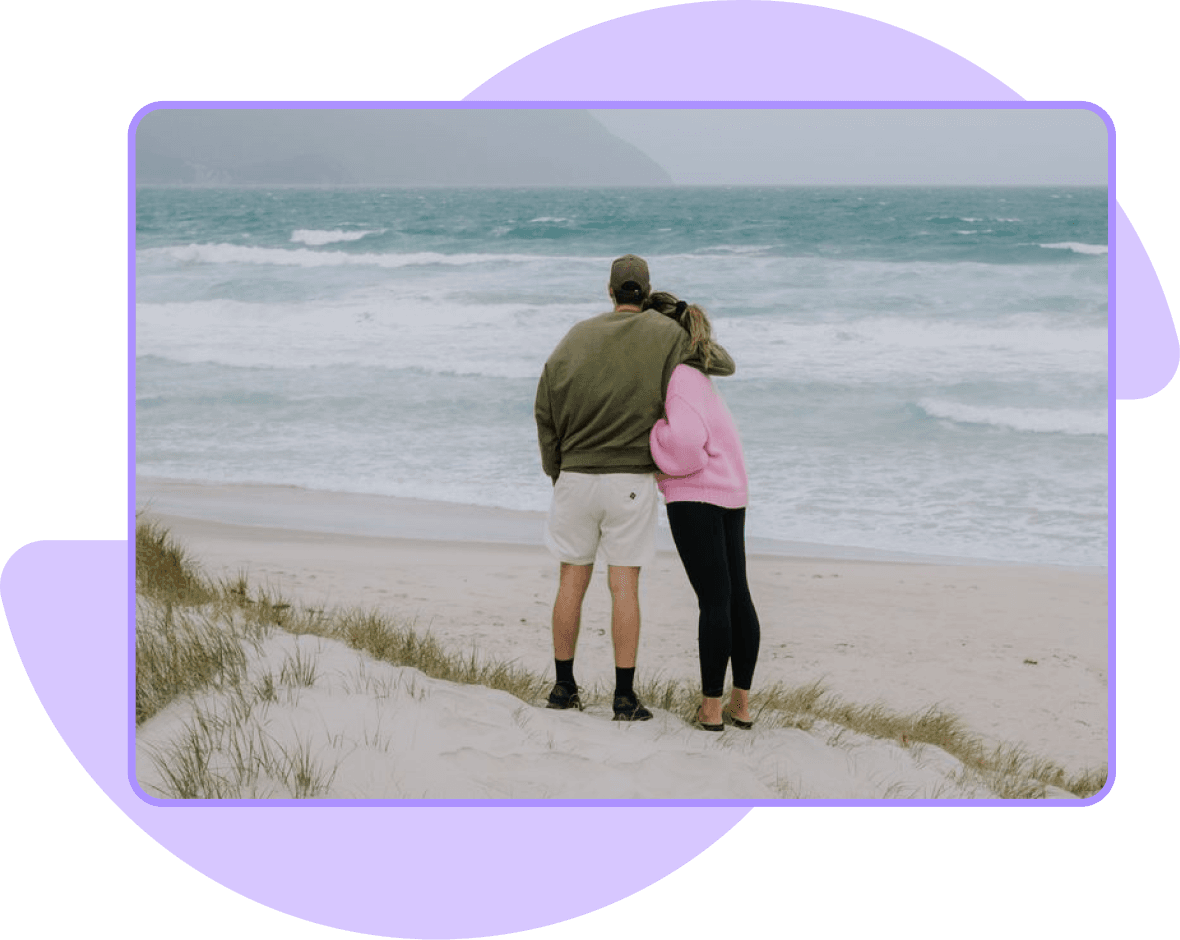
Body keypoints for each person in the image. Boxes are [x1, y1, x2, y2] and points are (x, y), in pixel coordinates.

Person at [534, 255, 734, 721]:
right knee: (624, 586)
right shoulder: (667, 336)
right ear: (644, 293)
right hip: (629, 482)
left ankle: (564, 688)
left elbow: (544, 409)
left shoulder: (575, 336)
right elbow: (722, 363)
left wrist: (557, 470)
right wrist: (673, 313)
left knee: (571, 582)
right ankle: (624, 698)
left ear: (608, 291)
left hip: (575, 478)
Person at [648, 296, 761, 732]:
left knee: (713, 600)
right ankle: (741, 705)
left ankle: (710, 710)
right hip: (732, 490)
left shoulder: (676, 377)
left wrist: (655, 434)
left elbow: (686, 444)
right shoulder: (698, 375)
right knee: (738, 597)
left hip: (696, 493)